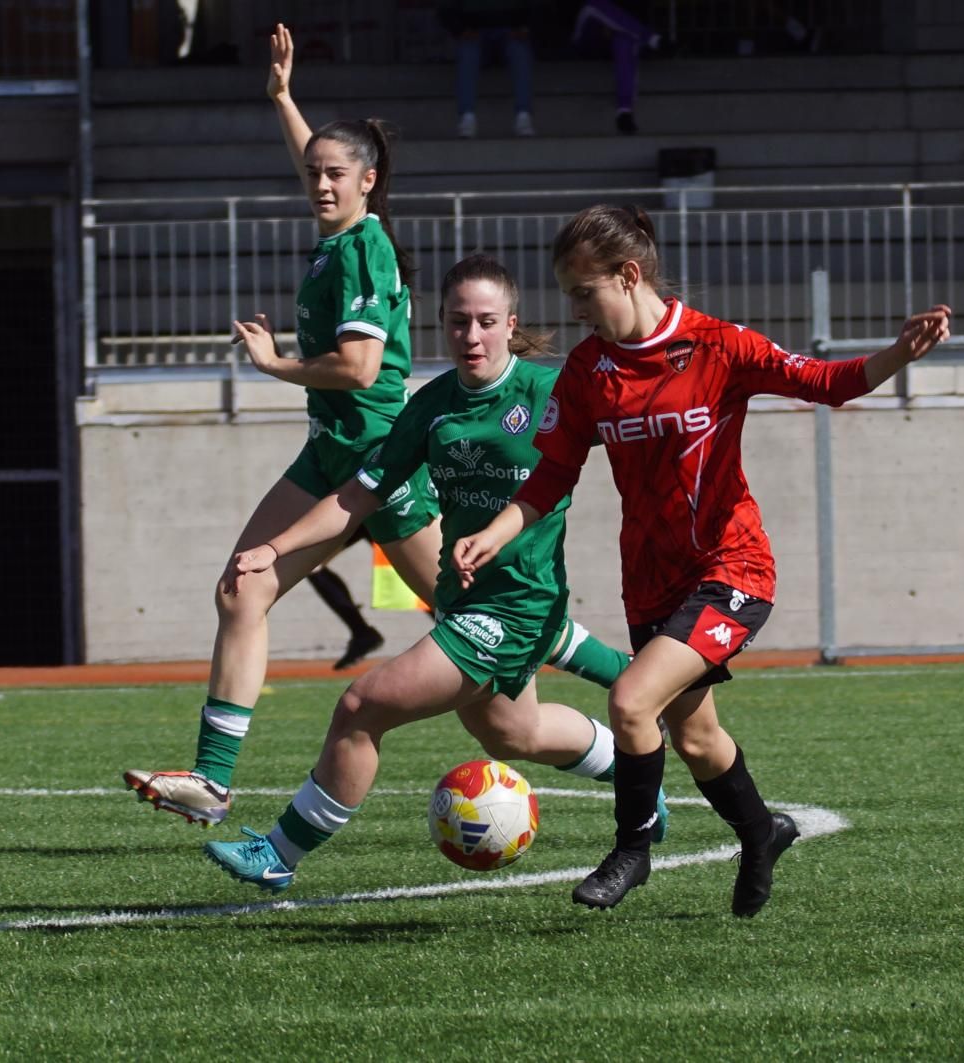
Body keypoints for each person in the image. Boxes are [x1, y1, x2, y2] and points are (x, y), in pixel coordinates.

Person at [454, 205, 951, 916]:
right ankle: (762, 831)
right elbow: (550, 476)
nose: (576, 310)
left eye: (583, 292)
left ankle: (632, 847)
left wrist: (898, 353)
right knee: (696, 734)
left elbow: (826, 382)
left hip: (732, 568)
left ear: (629, 275)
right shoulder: (589, 371)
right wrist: (496, 532)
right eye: (568, 295)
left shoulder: (717, 345)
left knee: (630, 701)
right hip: (650, 579)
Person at [200, 254, 666, 892]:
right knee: (513, 733)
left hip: (514, 609)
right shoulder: (432, 405)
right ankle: (641, 785)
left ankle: (279, 853)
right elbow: (356, 497)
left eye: (485, 322)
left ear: (510, 324)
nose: (470, 336)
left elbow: (639, 420)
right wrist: (274, 549)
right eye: (457, 323)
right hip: (464, 599)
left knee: (362, 707)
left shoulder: (551, 390)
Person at [121, 23, 445, 826]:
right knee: (243, 585)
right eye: (313, 173)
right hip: (331, 451)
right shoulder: (337, 232)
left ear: (368, 182)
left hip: (378, 460)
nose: (321, 184)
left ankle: (625, 705)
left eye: (336, 174)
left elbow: (360, 370)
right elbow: (322, 159)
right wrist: (282, 98)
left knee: (489, 616)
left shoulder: (364, 251)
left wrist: (275, 368)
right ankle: (212, 782)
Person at [438, 1, 537, 138]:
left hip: (511, 31)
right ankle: (467, 116)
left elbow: (539, 6)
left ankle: (523, 115)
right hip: (474, 31)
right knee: (468, 54)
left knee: (520, 53)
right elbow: (445, 7)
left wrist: (527, 28)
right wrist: (459, 30)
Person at [569, 0, 661, 134]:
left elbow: (638, 15)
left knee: (624, 41)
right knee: (594, 5)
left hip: (622, 33)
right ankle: (652, 39)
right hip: (589, 34)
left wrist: (615, 26)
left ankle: (624, 111)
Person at [305, 527, 387, 671]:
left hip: (387, 511)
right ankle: (362, 633)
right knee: (312, 564)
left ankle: (440, 630)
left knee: (415, 570)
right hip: (359, 515)